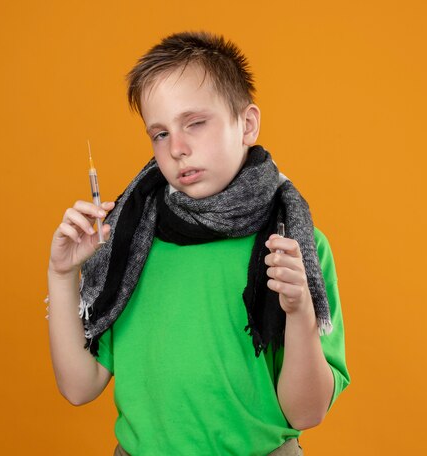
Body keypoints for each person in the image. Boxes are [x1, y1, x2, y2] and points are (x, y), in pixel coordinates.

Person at [46, 31, 350, 456]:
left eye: (195, 123)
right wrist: (62, 275)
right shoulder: (128, 241)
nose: (178, 149)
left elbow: (306, 413)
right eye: (160, 134)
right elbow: (79, 387)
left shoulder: (296, 247)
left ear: (247, 124)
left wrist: (299, 312)